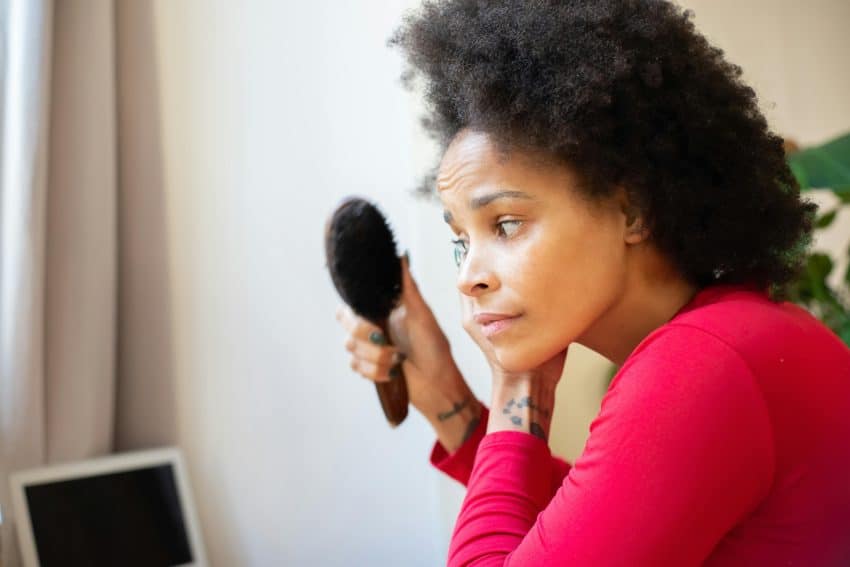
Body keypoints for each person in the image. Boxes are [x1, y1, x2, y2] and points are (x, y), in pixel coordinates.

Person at [335, 1, 850, 564]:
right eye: (462, 239)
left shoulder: (701, 364)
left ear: (633, 210)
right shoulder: (735, 332)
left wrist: (515, 387)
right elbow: (583, 532)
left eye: (505, 224)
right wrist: (449, 402)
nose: (468, 277)